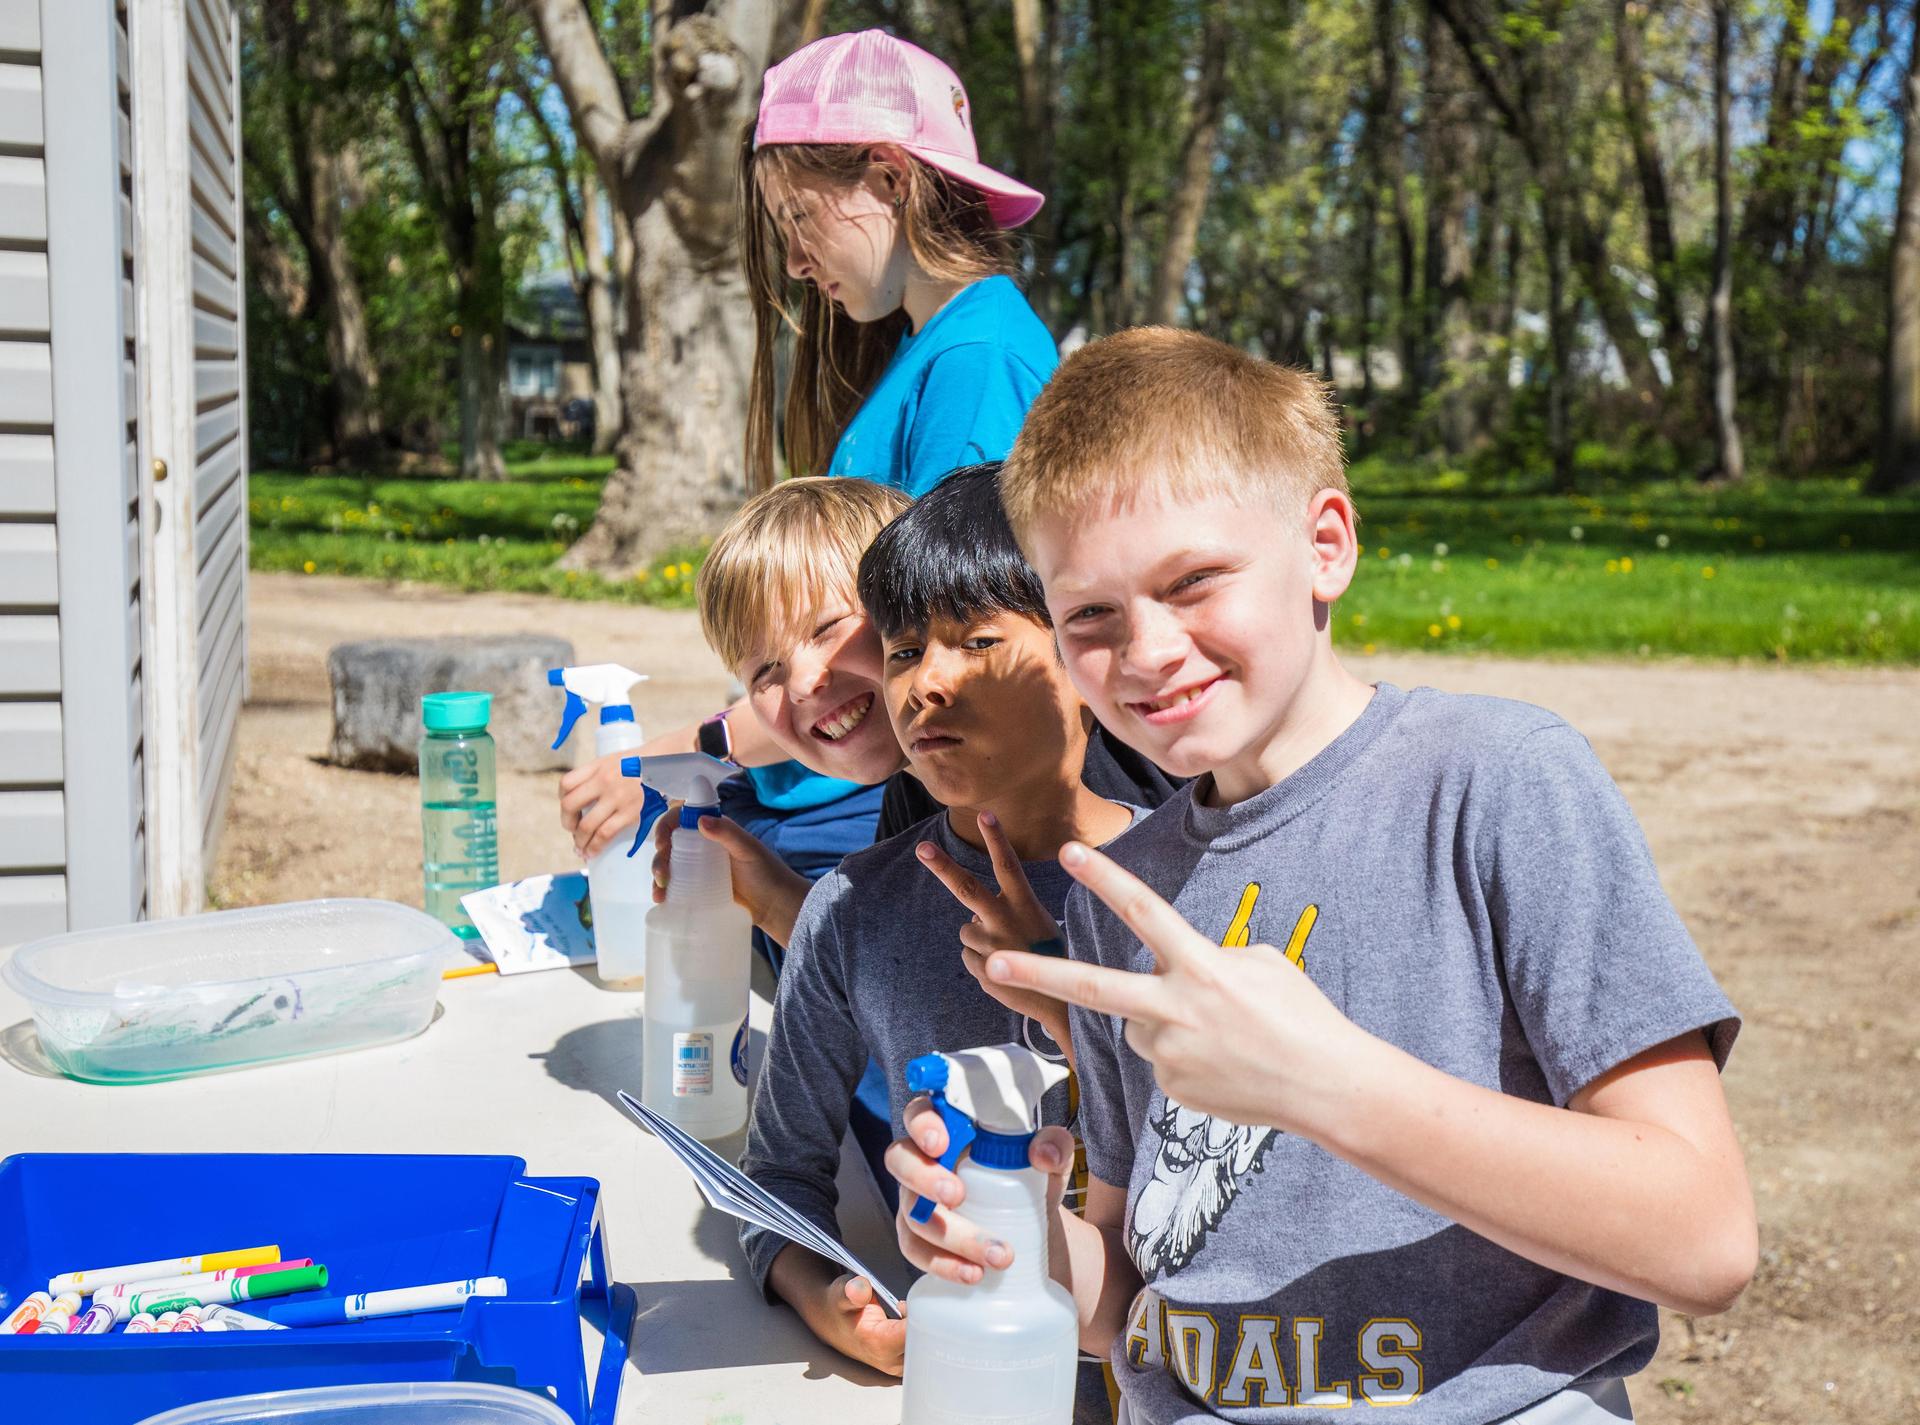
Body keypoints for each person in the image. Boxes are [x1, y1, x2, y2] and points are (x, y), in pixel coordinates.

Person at [888, 329, 1757, 1422]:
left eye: (1193, 580)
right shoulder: (1122, 892)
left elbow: (1706, 1237)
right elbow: (1133, 1289)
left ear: (1326, 545)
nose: (1148, 651)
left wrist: (1323, 1084)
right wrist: (1011, 1232)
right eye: (1089, 617)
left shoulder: (1494, 784)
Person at [560, 28, 1059, 939]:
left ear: (889, 178)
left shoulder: (978, 360)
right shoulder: (933, 350)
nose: (792, 260)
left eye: (798, 218)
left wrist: (689, 750)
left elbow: (936, 645)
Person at [739, 466, 1133, 1416]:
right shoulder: (855, 908)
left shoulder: (1189, 886)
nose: (929, 681)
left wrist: (1065, 990)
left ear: (1086, 657)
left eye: (980, 640)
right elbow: (776, 1178)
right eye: (907, 650)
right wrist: (820, 1294)